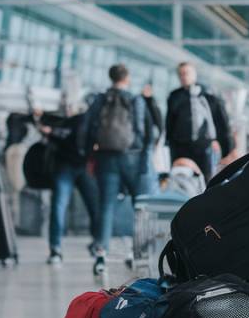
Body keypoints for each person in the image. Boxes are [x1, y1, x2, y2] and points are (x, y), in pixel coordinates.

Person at [79, 63, 152, 275]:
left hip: (106, 157)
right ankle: (139, 253)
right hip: (132, 157)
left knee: (106, 206)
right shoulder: (135, 99)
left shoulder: (100, 100)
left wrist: (87, 154)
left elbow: (86, 127)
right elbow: (145, 129)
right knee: (140, 206)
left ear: (111, 77)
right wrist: (143, 155)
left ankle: (101, 255)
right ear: (127, 78)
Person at [47, 105, 100, 265]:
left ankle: (55, 248)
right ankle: (97, 245)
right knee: (94, 206)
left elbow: (54, 136)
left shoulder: (64, 122)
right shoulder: (93, 121)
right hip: (79, 166)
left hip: (68, 166)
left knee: (59, 206)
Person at [165, 62, 232, 181]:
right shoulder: (174, 96)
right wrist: (170, 144)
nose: (183, 76)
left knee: (207, 179)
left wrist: (226, 148)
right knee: (180, 178)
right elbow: (170, 122)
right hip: (181, 147)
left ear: (194, 74)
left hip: (204, 146)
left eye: (186, 73)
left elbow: (222, 122)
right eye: (181, 74)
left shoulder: (209, 95)